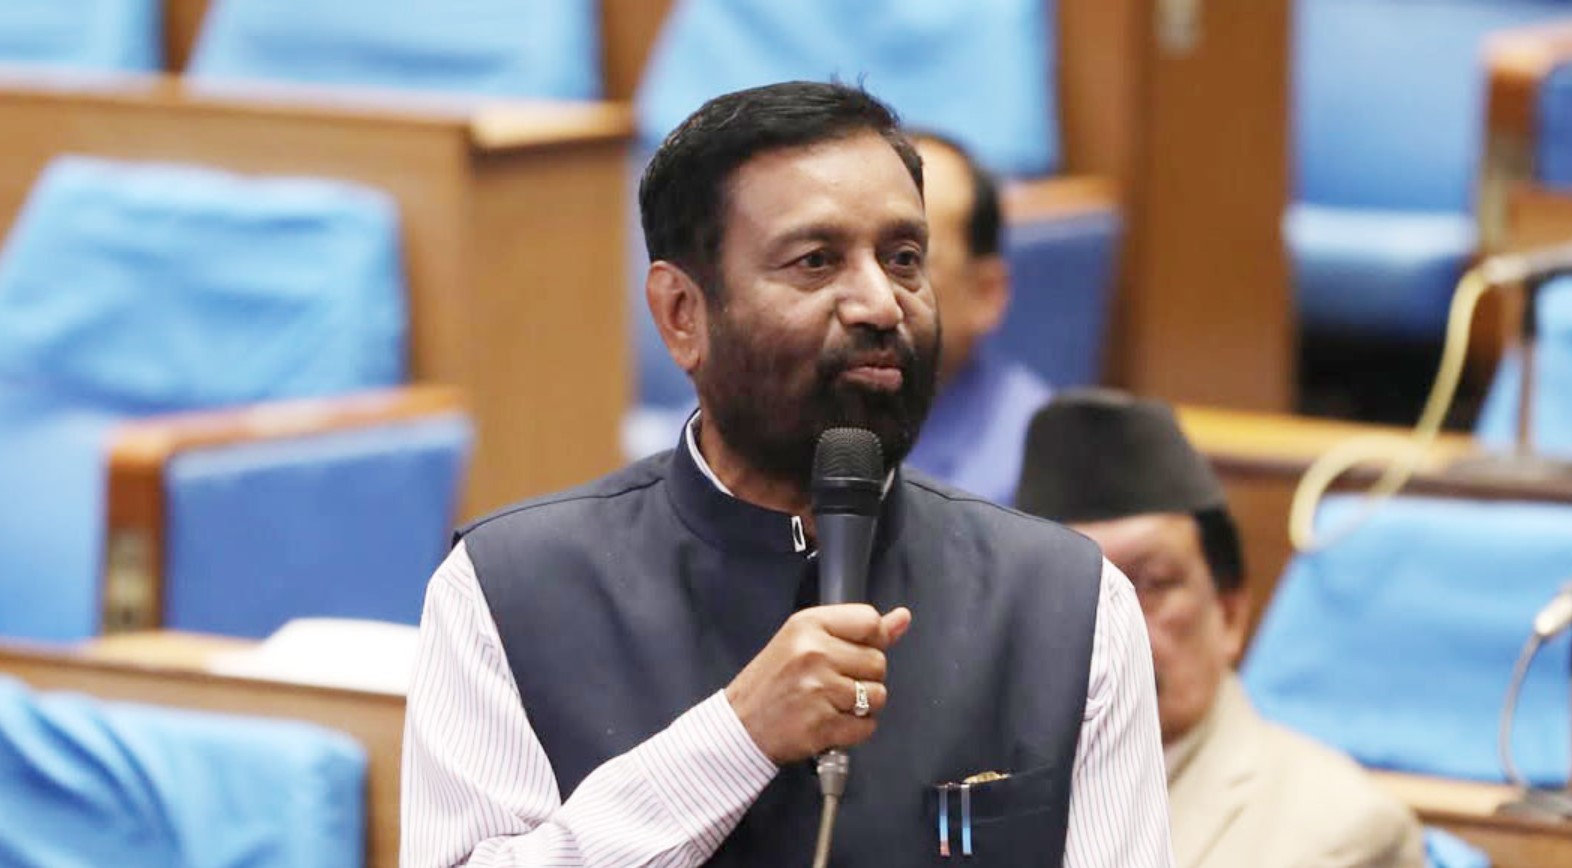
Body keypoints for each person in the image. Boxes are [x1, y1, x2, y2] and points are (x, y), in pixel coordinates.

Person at [401, 82, 1173, 867]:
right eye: (816, 261)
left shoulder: (1068, 603)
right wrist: (735, 738)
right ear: (681, 313)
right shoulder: (505, 592)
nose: (879, 304)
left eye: (903, 259)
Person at [1015, 389, 1427, 868]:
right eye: (1069, 588)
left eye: (1152, 584)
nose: (1107, 623)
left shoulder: (1345, 830)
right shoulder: (971, 782)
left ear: (1229, 613)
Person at [901, 132, 1051, 505]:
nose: (866, 290)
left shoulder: (1041, 468)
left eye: (904, 260)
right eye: (826, 258)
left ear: (986, 294)